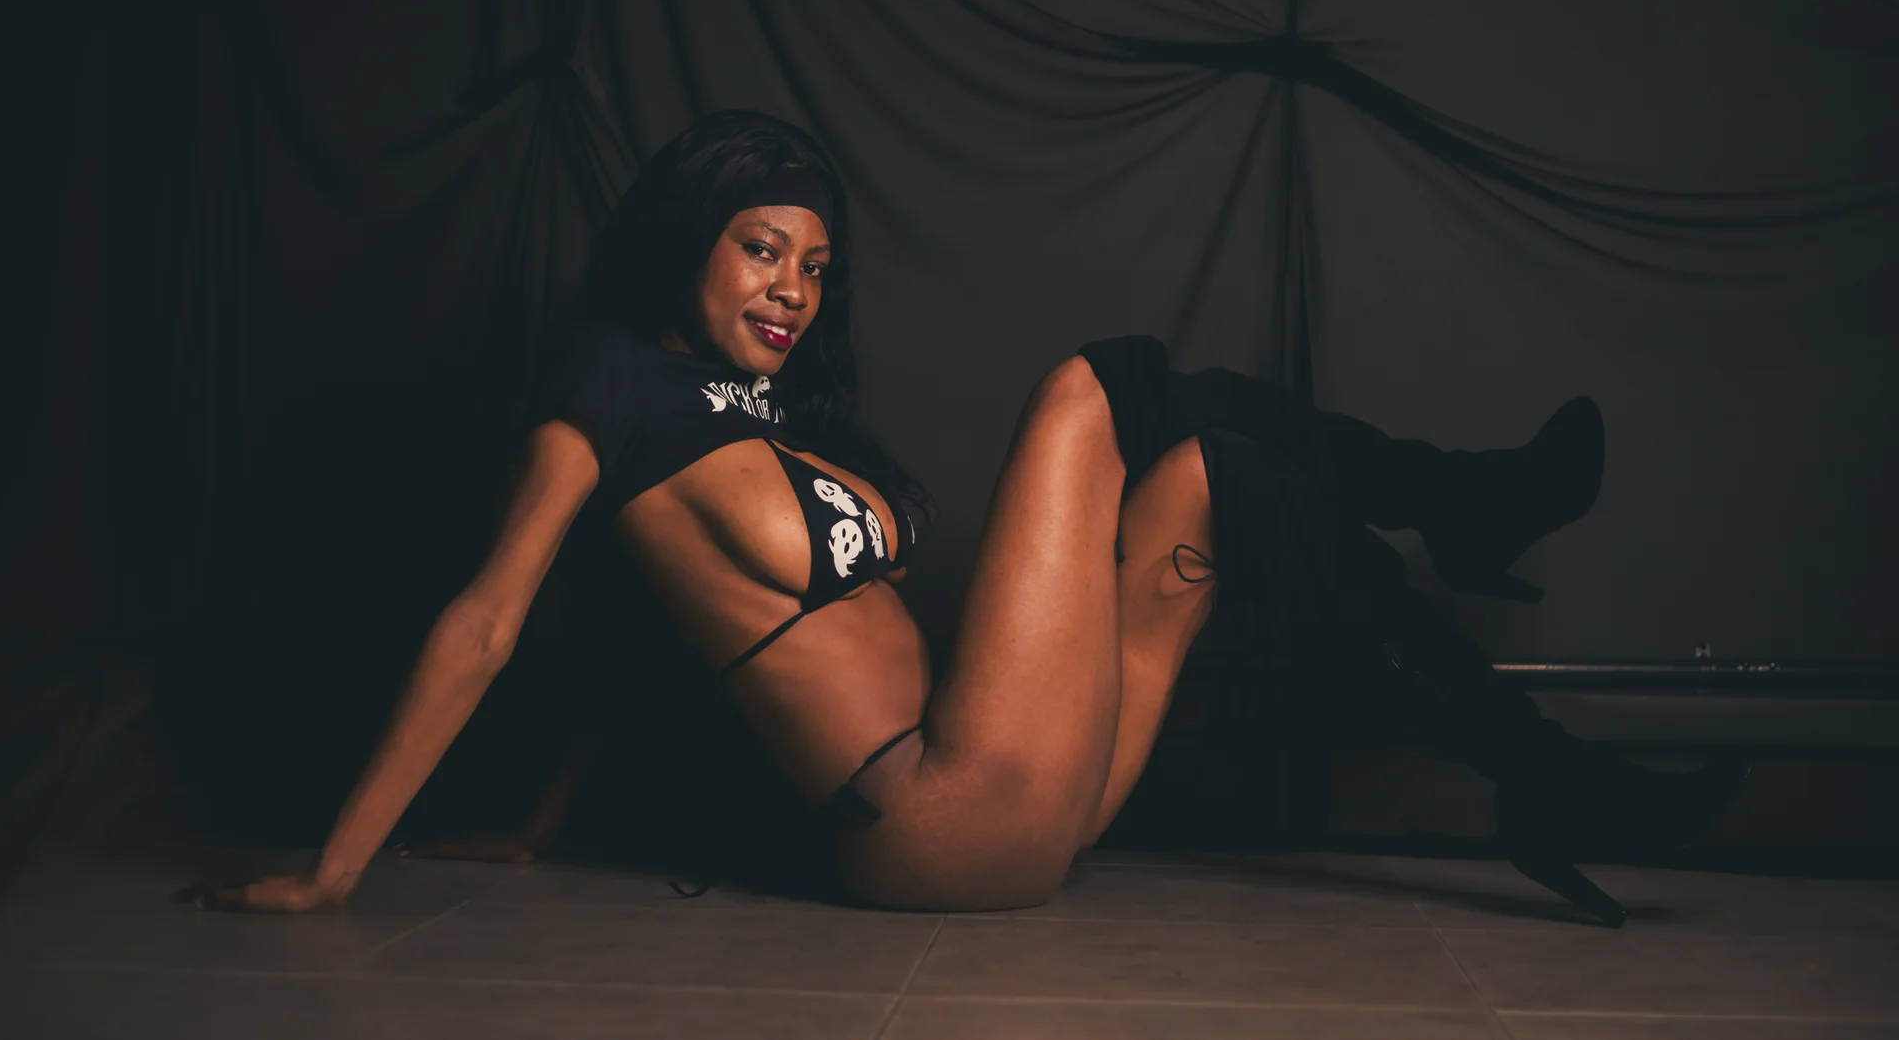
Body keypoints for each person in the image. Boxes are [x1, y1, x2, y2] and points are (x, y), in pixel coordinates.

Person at [189, 110, 1743, 926]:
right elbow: (494, 615)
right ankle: (1465, 506)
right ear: (686, 241)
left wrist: (535, 825)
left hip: (1043, 788)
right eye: (761, 249)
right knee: (1094, 388)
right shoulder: (606, 385)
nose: (793, 289)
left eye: (814, 265)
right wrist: (337, 872)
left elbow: (643, 638)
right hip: (938, 819)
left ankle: (1544, 781)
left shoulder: (755, 417)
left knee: (1223, 475)